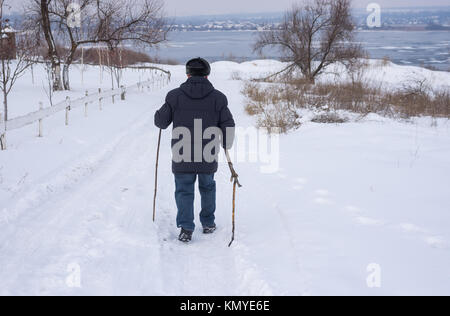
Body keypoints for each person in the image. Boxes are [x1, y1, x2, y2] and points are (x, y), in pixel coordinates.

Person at [154, 58, 235, 243]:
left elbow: (161, 122)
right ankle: (208, 223)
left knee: (184, 190)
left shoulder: (174, 96)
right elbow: (228, 123)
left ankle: (186, 228)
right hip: (208, 152)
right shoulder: (218, 98)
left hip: (182, 153)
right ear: (207, 75)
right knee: (207, 187)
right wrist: (226, 144)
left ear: (187, 74)